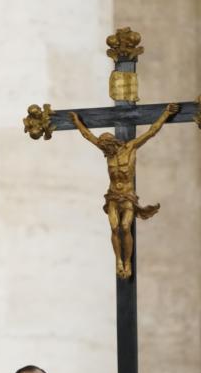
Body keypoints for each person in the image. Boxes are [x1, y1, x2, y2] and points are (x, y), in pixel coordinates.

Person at [69, 102, 179, 279]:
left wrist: (166, 114)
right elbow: (88, 136)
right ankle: (118, 261)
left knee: (125, 226)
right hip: (113, 196)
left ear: (112, 143)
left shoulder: (130, 148)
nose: (104, 151)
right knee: (114, 228)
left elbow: (152, 131)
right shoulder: (108, 151)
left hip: (128, 196)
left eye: (106, 147)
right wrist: (76, 121)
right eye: (103, 148)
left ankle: (127, 261)